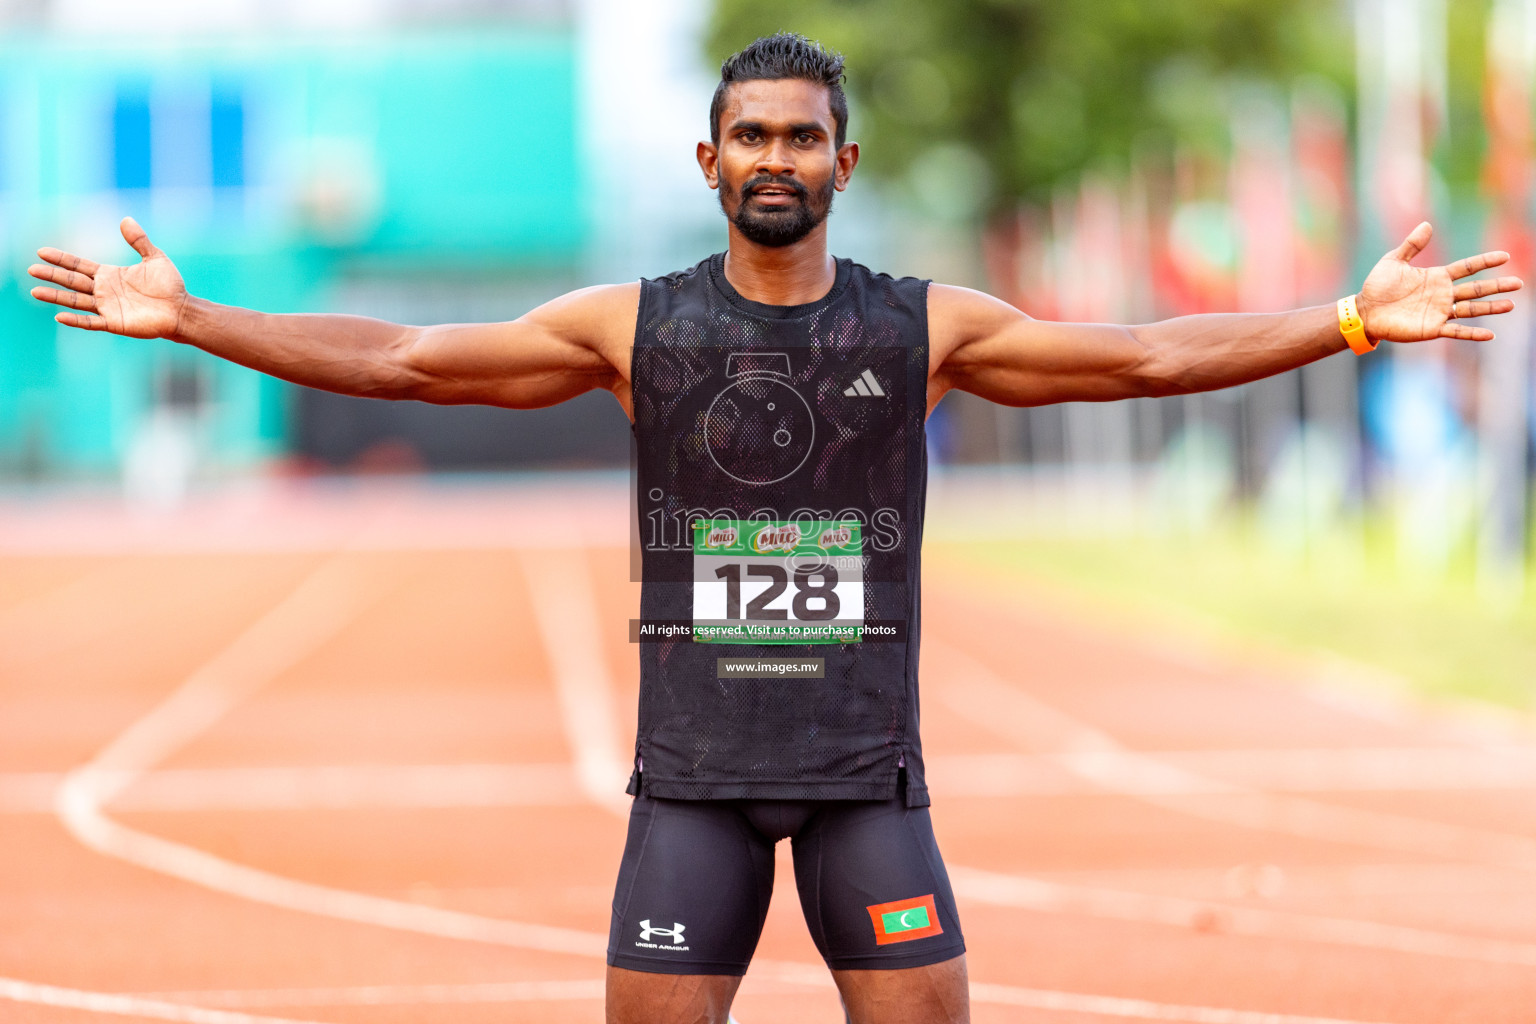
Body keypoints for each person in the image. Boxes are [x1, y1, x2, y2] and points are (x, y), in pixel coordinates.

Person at [27, 32, 1521, 1024]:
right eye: (750, 135)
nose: (777, 159)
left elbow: (1138, 356)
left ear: (843, 164)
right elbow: (411, 361)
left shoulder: (926, 327)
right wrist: (199, 319)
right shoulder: (636, 329)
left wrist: (1347, 322)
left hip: (868, 777)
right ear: (707, 161)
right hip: (692, 790)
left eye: (805, 138)